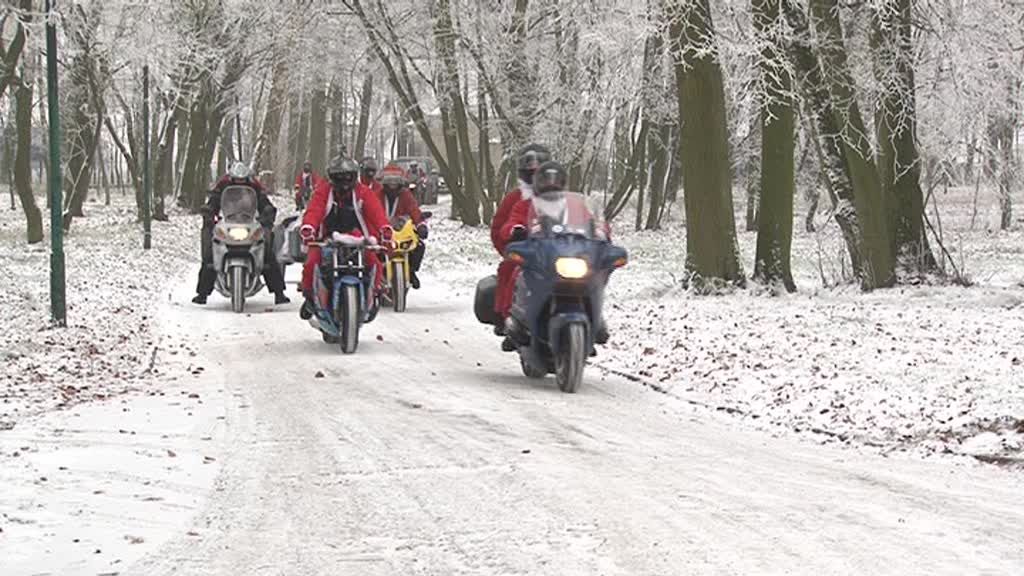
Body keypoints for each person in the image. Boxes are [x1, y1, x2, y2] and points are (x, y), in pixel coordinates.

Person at [497, 161, 610, 348]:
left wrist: (601, 231)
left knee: (595, 273)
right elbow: (512, 222)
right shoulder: (527, 204)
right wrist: (515, 230)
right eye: (546, 179)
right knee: (520, 272)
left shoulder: (575, 205)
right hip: (542, 254)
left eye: (556, 180)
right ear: (538, 182)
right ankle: (518, 319)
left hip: (572, 251)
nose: (551, 184)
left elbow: (593, 221)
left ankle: (596, 317)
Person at [298, 156, 392, 320]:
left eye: (348, 177)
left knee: (375, 262)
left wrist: (384, 229)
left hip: (357, 238)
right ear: (332, 177)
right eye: (339, 177)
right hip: (326, 238)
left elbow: (376, 211)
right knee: (312, 262)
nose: (344, 182)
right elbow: (315, 210)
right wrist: (309, 228)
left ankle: (374, 295)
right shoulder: (323, 191)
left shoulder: (364, 192)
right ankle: (310, 298)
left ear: (355, 176)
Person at [192, 162, 290, 305]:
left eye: (242, 180)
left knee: (267, 255)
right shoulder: (223, 185)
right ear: (231, 177)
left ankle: (279, 293)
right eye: (237, 180)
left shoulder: (254, 185)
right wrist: (209, 210)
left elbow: (263, 200)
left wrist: (268, 210)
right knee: (210, 256)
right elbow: (214, 200)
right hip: (229, 221)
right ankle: (202, 294)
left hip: (248, 221)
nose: (240, 182)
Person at [490, 143, 551, 334]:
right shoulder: (515, 199)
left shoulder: (560, 198)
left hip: (559, 251)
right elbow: (501, 226)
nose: (535, 175)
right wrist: (512, 239)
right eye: (530, 171)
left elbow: (582, 216)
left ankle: (592, 318)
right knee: (509, 269)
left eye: (539, 171)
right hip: (526, 251)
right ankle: (507, 316)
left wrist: (597, 231)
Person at [377, 165, 429, 289]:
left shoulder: (406, 195)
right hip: (381, 232)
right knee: (370, 250)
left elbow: (414, 210)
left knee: (419, 246)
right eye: (389, 182)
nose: (392, 185)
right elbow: (370, 211)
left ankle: (411, 271)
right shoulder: (377, 195)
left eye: (396, 182)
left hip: (401, 230)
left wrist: (421, 225)